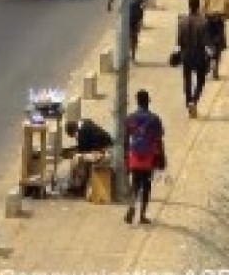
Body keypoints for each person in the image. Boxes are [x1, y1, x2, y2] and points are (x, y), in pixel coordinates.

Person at [123, 89, 165, 224]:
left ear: (137, 102)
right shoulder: (155, 119)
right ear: (148, 101)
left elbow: (125, 141)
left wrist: (126, 159)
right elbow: (158, 140)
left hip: (134, 156)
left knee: (135, 184)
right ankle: (141, 215)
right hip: (148, 157)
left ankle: (131, 208)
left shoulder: (130, 118)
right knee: (146, 186)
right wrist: (162, 158)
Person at [176, 0, 213, 117]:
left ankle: (188, 102)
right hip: (199, 56)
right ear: (198, 7)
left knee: (187, 80)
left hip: (186, 55)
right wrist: (211, 56)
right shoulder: (204, 22)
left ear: (189, 6)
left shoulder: (182, 22)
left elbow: (179, 42)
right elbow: (207, 43)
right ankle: (194, 101)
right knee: (201, 80)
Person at [64, 117, 113, 195]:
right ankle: (78, 185)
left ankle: (78, 187)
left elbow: (84, 149)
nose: (75, 137)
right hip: (103, 150)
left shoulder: (83, 131)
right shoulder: (85, 123)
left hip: (104, 153)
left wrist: (73, 153)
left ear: (74, 130)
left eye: (74, 135)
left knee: (77, 160)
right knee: (79, 159)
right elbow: (85, 147)